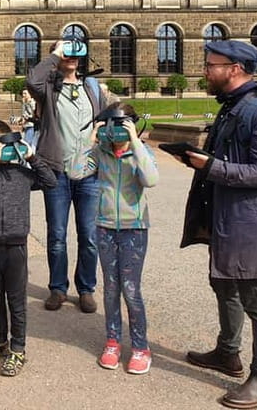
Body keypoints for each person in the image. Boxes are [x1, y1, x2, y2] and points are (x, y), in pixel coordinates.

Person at [176, 40, 257, 410]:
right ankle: (228, 353)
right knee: (224, 287)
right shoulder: (232, 110)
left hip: (250, 225)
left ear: (236, 69)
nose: (205, 71)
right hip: (226, 222)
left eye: (211, 65)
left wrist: (209, 166)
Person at [0, 120, 56, 376]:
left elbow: (50, 182)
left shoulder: (22, 173)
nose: (6, 150)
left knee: (16, 300)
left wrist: (31, 155)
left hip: (16, 244)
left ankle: (18, 349)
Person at [27, 40, 109, 313]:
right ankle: (58, 288)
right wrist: (55, 55)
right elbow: (32, 81)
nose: (72, 56)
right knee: (58, 234)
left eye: (75, 53)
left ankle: (86, 289)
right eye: (66, 52)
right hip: (56, 171)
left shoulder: (92, 87)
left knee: (88, 235)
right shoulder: (49, 87)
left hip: (89, 172)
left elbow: (106, 120)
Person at [91, 103, 159, 375]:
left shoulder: (141, 152)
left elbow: (151, 179)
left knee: (131, 289)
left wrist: (135, 141)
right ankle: (112, 341)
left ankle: (141, 347)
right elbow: (73, 170)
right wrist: (91, 137)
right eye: (111, 126)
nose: (115, 132)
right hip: (106, 226)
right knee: (110, 288)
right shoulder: (100, 152)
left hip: (134, 228)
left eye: (120, 126)